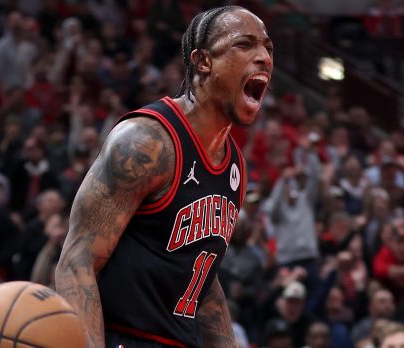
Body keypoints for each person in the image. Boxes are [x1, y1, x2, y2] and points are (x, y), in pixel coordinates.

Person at [56, 5, 273, 347]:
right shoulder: (147, 141)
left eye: (267, 48)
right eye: (245, 44)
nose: (263, 56)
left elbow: (202, 277)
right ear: (203, 61)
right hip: (125, 337)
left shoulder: (235, 166)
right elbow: (77, 260)